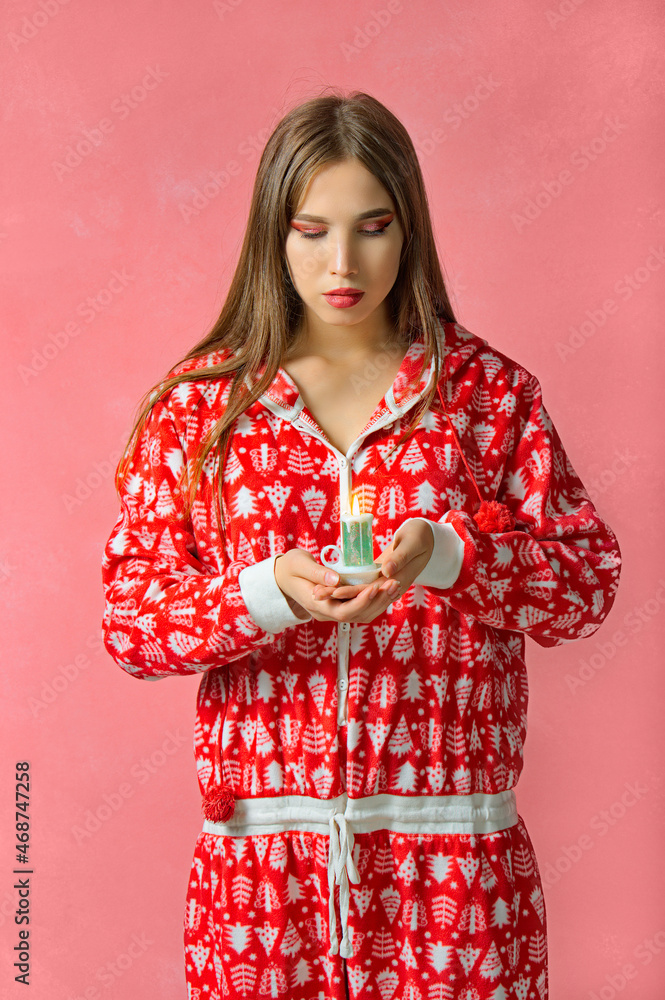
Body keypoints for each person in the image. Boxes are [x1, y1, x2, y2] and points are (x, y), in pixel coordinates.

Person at [101, 90, 621, 1000]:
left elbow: (584, 587)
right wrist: (267, 591)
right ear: (273, 236)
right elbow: (132, 625)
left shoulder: (486, 397)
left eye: (372, 228)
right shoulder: (201, 410)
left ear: (409, 228)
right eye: (310, 232)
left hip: (456, 878)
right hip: (264, 887)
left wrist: (450, 557)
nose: (342, 263)